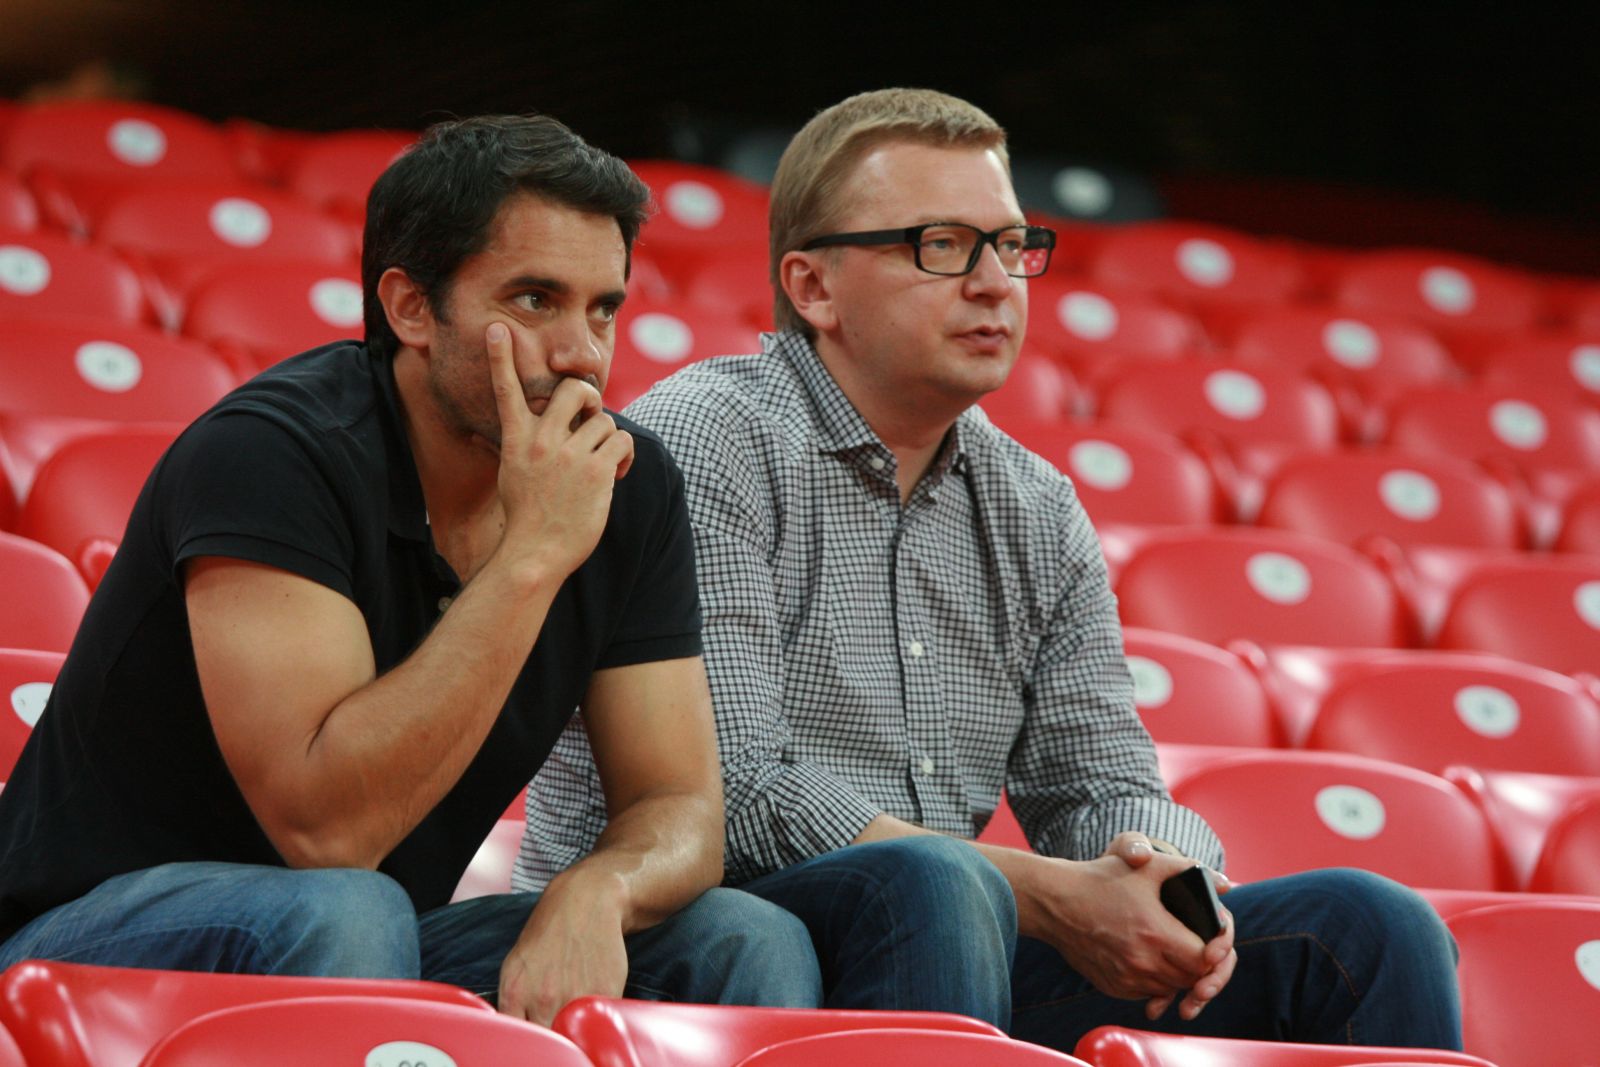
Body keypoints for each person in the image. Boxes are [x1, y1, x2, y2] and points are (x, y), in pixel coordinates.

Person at [517, 89, 1464, 1051]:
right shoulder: (706, 439)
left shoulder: (1037, 506)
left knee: (1366, 928)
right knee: (938, 882)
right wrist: (1047, 894)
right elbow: (738, 793)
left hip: (940, 941)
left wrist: (1166, 877)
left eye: (1011, 246)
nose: (993, 282)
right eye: (942, 245)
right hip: (696, 937)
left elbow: (1098, 781)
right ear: (813, 287)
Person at [0, 113, 821, 1024]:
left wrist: (601, 888)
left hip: (375, 930)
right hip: (76, 942)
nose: (583, 354)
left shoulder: (625, 485)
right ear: (411, 308)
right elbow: (328, 834)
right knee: (349, 908)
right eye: (535, 300)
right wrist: (531, 557)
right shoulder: (270, 455)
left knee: (744, 935)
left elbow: (679, 805)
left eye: (603, 308)